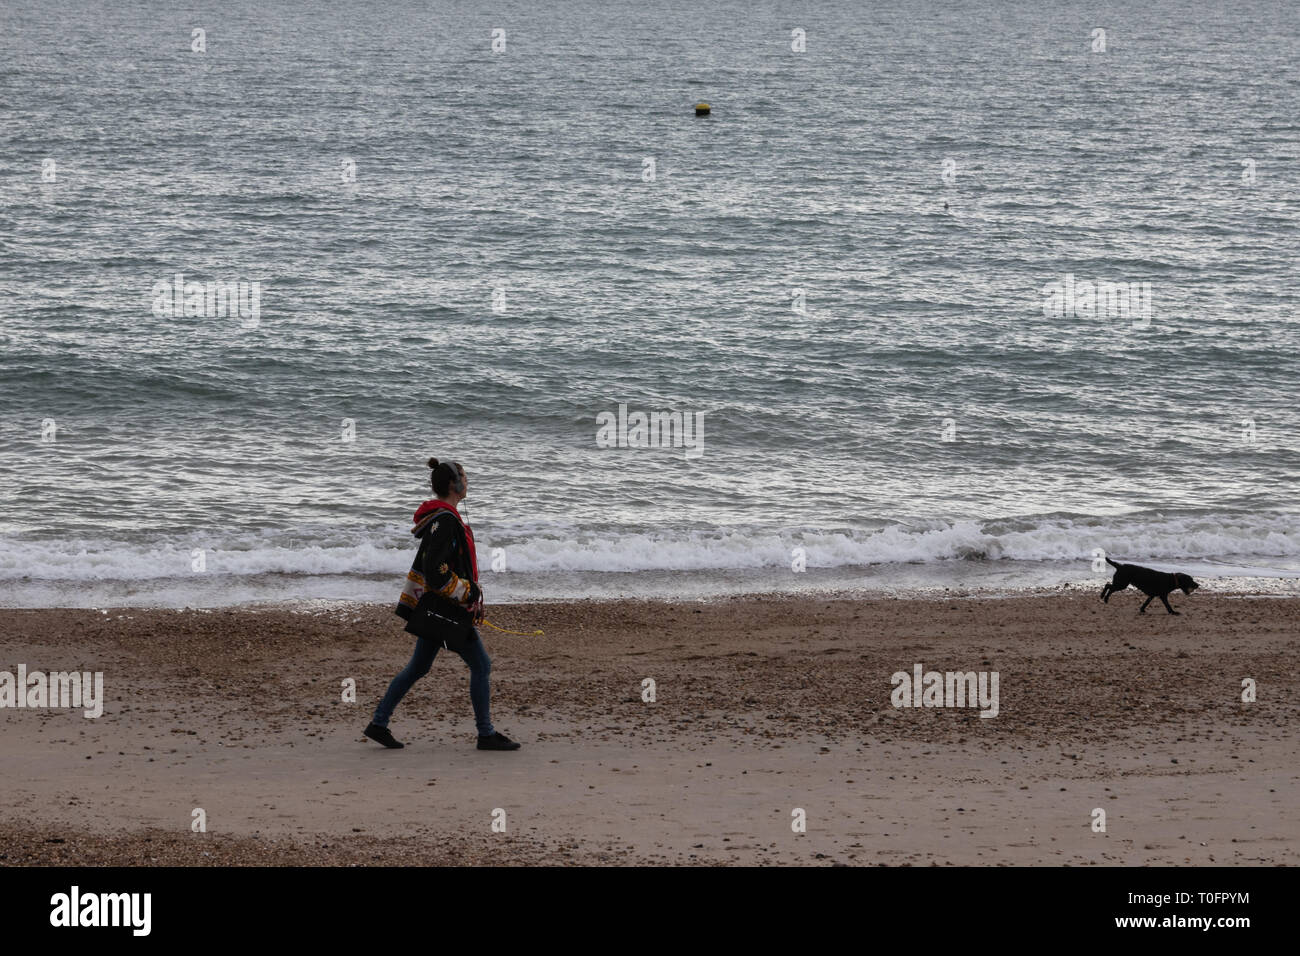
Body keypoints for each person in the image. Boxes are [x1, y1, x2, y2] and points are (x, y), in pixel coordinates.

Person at [363, 458, 520, 751]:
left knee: (418, 667)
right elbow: (437, 574)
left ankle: (378, 723)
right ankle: (485, 734)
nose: (467, 482)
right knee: (481, 665)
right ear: (454, 484)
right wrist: (468, 593)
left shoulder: (440, 519)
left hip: (434, 608)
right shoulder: (446, 522)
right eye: (465, 477)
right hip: (444, 609)